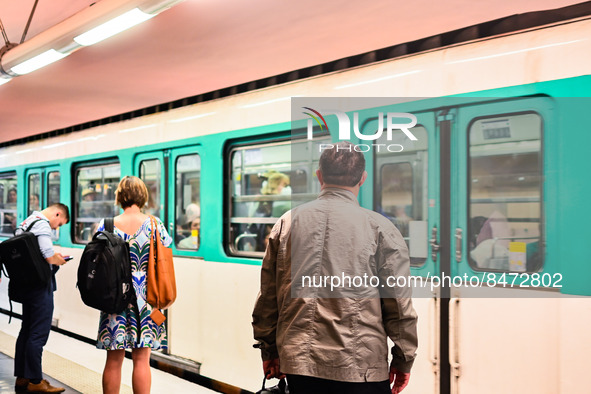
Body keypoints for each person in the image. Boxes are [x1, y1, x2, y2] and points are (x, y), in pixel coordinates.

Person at [252, 142, 418, 394]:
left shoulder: (287, 223)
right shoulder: (381, 229)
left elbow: (269, 298)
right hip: (362, 369)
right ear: (362, 178)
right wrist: (403, 359)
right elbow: (398, 304)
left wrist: (269, 349)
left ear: (319, 175)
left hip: (300, 366)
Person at [95, 176, 172, 394]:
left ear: (120, 196)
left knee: (113, 359)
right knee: (141, 359)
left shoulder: (106, 224)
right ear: (143, 196)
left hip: (114, 298)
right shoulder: (155, 224)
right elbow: (167, 246)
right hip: (146, 299)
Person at [13, 203, 70, 393]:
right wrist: (59, 259)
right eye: (59, 223)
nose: (56, 228)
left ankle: (22, 377)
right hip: (39, 287)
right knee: (38, 334)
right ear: (57, 213)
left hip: (26, 285)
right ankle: (36, 381)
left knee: (26, 331)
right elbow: (47, 254)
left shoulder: (27, 222)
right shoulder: (43, 224)